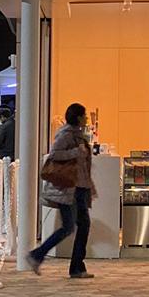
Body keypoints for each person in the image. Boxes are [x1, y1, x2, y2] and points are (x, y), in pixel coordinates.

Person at [26, 102, 95, 279]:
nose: (86, 118)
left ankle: (76, 266)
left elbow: (83, 166)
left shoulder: (79, 136)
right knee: (69, 227)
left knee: (81, 225)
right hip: (68, 189)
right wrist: (75, 152)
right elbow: (54, 154)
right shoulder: (66, 135)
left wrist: (89, 185)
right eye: (84, 115)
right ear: (78, 117)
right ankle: (38, 255)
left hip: (79, 188)